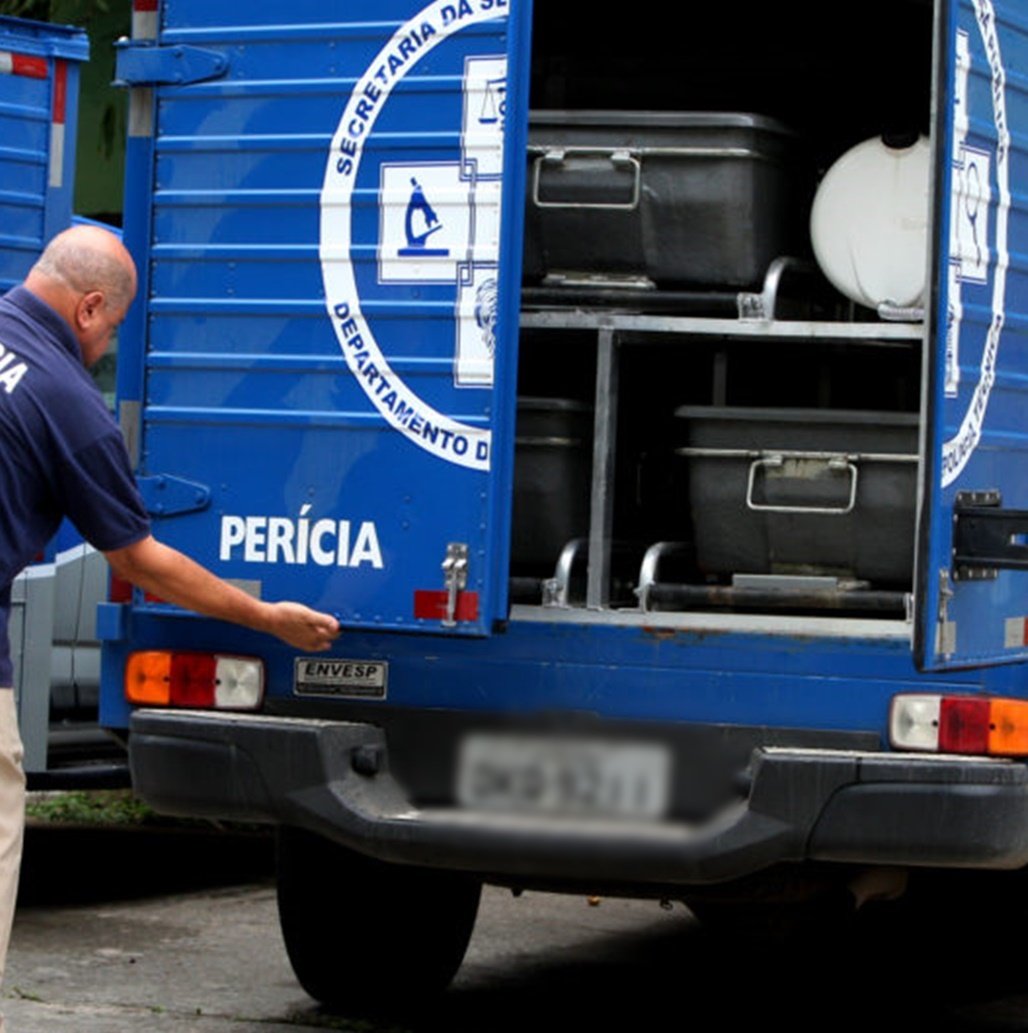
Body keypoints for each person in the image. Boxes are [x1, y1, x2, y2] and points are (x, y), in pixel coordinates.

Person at [0, 224, 339, 1014]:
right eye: (113, 328)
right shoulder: (64, 400)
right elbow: (139, 559)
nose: (107, 343)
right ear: (88, 308)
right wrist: (263, 615)